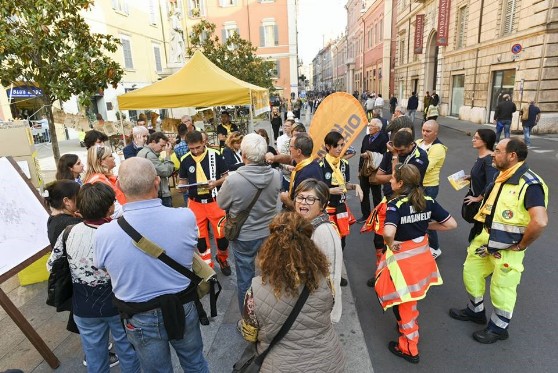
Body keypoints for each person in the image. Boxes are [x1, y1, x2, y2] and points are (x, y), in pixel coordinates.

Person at [94, 158, 209, 372]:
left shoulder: (104, 233)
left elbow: (101, 268)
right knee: (195, 362)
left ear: (118, 186)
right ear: (157, 182)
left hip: (139, 315)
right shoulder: (184, 217)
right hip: (182, 305)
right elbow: (193, 247)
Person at [449, 138, 548, 344]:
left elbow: (539, 221)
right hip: (485, 237)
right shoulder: (501, 175)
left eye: (498, 150)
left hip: (508, 247)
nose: (493, 154)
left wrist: (521, 245)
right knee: (471, 272)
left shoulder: (530, 184)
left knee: (502, 287)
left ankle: (499, 327)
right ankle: (475, 311)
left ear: (512, 156)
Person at [48, 183, 140, 373]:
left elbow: (52, 265)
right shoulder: (120, 232)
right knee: (128, 350)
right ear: (110, 208)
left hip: (83, 305)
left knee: (94, 356)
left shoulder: (68, 232)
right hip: (118, 303)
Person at [239, 212, 346, 372]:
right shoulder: (324, 280)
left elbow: (249, 334)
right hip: (329, 362)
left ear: (270, 246)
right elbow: (328, 309)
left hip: (279, 365)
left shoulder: (255, 290)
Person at [376, 164, 456, 364]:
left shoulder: (396, 204)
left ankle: (409, 348)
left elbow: (387, 233)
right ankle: (403, 326)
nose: (390, 181)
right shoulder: (427, 200)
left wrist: (391, 243)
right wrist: (426, 225)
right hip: (421, 263)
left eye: (393, 178)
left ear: (401, 183)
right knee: (410, 302)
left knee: (405, 305)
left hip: (402, 267)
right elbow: (451, 224)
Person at [217, 134, 282, 313]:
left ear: (243, 155)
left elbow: (221, 204)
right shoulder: (276, 175)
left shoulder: (234, 180)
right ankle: (272, 312)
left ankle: (248, 318)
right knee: (269, 275)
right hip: (268, 232)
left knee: (245, 278)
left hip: (244, 235)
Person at [178, 131, 231, 274]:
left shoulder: (215, 155)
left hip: (215, 202)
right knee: (201, 241)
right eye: (192, 149)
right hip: (195, 204)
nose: (195, 151)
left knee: (222, 238)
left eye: (198, 147)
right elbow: (182, 180)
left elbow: (227, 177)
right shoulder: (185, 159)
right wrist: (181, 187)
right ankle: (208, 268)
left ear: (203, 143)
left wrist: (216, 183)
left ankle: (222, 258)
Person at [294, 179, 343, 322]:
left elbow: (332, 275)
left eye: (310, 199)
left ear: (322, 205)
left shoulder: (325, 232)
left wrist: (329, 314)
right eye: (300, 197)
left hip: (316, 311)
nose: (303, 202)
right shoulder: (304, 224)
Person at [319, 131, 363, 253]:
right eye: (336, 145)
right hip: (326, 209)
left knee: (341, 242)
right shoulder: (321, 165)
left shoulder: (344, 164)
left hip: (341, 208)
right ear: (328, 146)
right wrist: (329, 190)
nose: (340, 149)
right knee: (327, 243)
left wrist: (355, 186)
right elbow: (316, 189)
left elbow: (345, 185)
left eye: (342, 145)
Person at [416, 120, 448, 259]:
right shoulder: (418, 142)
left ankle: (435, 248)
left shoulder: (438, 148)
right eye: (423, 130)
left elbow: (425, 168)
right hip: (417, 185)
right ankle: (422, 242)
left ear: (436, 132)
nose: (424, 133)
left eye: (428, 131)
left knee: (426, 217)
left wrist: (411, 165)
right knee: (417, 215)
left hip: (429, 186)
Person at [279, 133, 324, 209]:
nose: (289, 149)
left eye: (291, 146)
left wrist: (286, 200)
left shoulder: (305, 175)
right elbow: (289, 160)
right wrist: (273, 158)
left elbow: (304, 208)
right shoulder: (312, 164)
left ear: (299, 152)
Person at [462, 129, 498, 220]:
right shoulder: (481, 157)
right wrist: (471, 177)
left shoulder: (489, 159)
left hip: (485, 204)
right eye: (473, 137)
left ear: (485, 141)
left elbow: (491, 182)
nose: (473, 140)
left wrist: (478, 198)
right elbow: (483, 174)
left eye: (477, 138)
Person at [357, 118, 389, 223]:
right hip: (364, 171)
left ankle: (377, 216)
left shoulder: (384, 139)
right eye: (369, 125)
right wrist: (359, 169)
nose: (369, 127)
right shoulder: (366, 138)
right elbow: (362, 154)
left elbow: (385, 156)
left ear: (378, 128)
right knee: (364, 193)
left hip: (375, 171)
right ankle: (365, 215)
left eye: (372, 126)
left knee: (376, 195)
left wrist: (370, 155)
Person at [83, 145, 126, 217]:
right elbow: (114, 211)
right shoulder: (98, 182)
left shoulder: (101, 177)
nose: (114, 158)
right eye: (110, 156)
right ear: (101, 161)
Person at [137, 132, 175, 207]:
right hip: (159, 194)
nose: (162, 149)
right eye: (162, 145)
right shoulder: (149, 155)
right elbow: (166, 171)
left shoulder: (142, 152)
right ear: (153, 142)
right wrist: (168, 154)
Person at [275, 118, 295, 190]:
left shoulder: (297, 138)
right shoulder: (280, 139)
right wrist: (287, 166)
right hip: (285, 172)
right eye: (284, 126)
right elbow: (280, 155)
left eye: (288, 126)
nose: (285, 128)